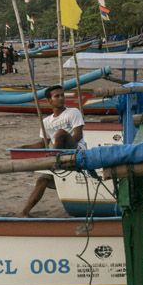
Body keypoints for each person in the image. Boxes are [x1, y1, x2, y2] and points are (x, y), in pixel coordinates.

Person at [19, 85, 85, 217]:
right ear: (49, 101)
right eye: (57, 96)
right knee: (41, 181)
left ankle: (54, 160)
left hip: (75, 150)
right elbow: (42, 143)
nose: (61, 98)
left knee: (60, 134)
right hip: (57, 155)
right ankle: (24, 212)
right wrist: (21, 148)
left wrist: (57, 150)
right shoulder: (46, 121)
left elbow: (78, 136)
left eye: (62, 95)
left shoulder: (73, 112)